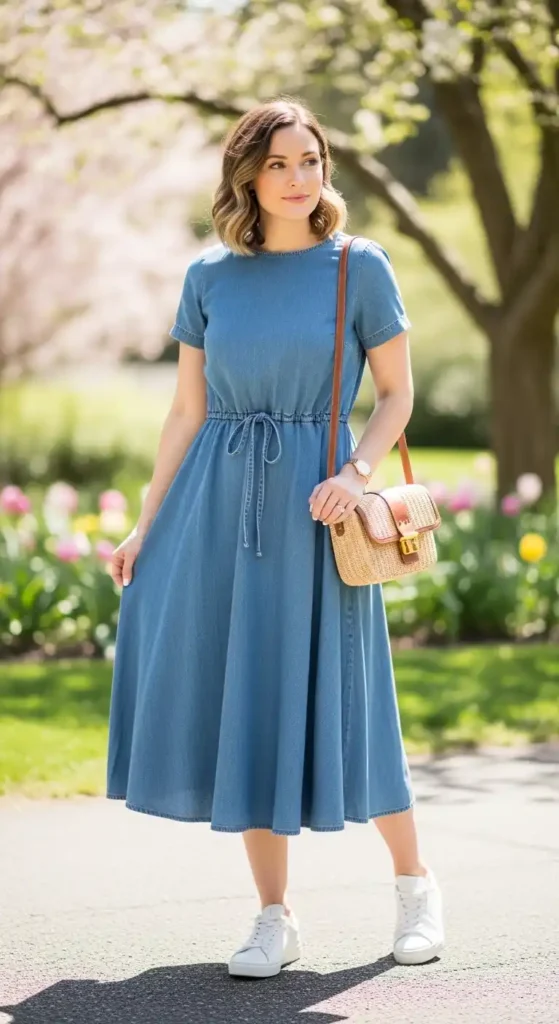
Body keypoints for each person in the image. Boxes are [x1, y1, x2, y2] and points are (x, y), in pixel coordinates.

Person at [106, 96, 445, 979]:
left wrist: (355, 475)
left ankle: (414, 886)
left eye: (310, 161)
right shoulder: (208, 277)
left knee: (353, 698)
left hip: (319, 511)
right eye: (278, 164)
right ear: (247, 177)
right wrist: (146, 522)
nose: (298, 179)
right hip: (219, 506)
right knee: (247, 702)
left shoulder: (357, 267)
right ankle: (273, 916)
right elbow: (186, 412)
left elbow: (397, 395)